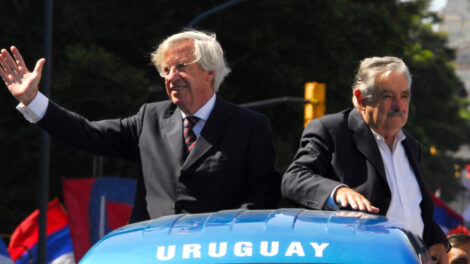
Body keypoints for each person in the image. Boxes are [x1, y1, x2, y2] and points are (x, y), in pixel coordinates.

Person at [0, 30, 281, 223]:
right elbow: (86, 134)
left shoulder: (250, 127)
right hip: (152, 250)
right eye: (166, 70)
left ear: (210, 73)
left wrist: (224, 229)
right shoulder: (151, 118)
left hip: (217, 251)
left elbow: (264, 196)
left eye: (181, 67)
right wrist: (33, 100)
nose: (171, 77)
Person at [282, 56, 449, 263]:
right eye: (388, 96)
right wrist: (337, 191)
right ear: (361, 99)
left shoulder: (410, 145)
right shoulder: (332, 131)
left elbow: (411, 206)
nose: (399, 105)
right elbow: (294, 179)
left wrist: (438, 240)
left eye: (404, 96)